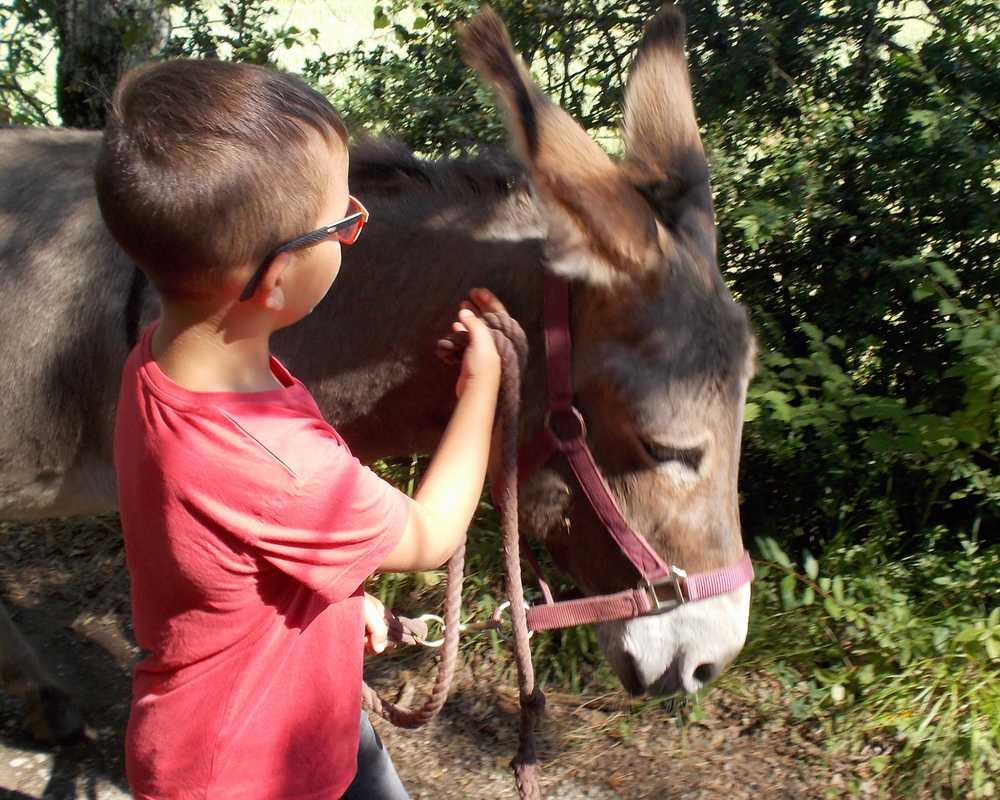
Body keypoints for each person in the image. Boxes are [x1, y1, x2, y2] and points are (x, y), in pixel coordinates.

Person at [96, 58, 501, 800]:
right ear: (277, 278)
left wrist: (333, 599)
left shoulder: (155, 363)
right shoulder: (282, 463)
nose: (354, 231)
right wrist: (483, 388)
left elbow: (228, 551)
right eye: (344, 221)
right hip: (251, 772)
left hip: (243, 725)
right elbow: (432, 534)